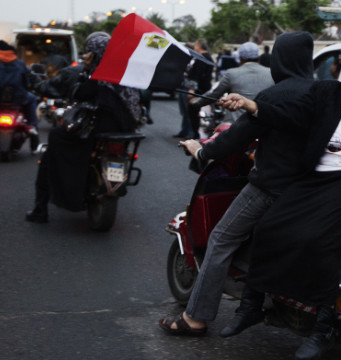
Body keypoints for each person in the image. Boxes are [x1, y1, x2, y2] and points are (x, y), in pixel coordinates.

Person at [220, 41, 341, 360]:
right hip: (311, 178)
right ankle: (251, 305)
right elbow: (290, 115)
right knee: (268, 227)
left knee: (319, 242)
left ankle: (323, 327)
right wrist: (249, 104)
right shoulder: (328, 92)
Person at [158, 31, 317, 338]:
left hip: (270, 186)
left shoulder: (275, 94)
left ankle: (196, 317)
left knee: (221, 239)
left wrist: (200, 150)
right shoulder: (322, 92)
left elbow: (233, 139)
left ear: (279, 59)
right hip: (309, 188)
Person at [25, 32, 140, 223]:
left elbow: (80, 93)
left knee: (54, 141)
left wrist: (86, 72)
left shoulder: (99, 73)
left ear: (95, 54)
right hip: (125, 129)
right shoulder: (126, 71)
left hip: (96, 128)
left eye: (89, 53)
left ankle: (41, 209)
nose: (85, 56)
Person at [190, 41, 273, 123]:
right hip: (264, 124)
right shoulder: (271, 73)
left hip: (235, 125)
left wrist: (196, 103)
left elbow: (214, 93)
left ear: (240, 58)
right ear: (258, 57)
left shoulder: (231, 73)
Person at [174, 40, 213, 139]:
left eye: (195, 45)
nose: (194, 46)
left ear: (199, 46)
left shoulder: (201, 58)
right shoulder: (208, 57)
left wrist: (192, 90)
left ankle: (193, 133)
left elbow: (197, 76)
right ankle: (186, 131)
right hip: (202, 89)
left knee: (192, 111)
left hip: (197, 90)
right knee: (189, 111)